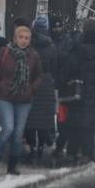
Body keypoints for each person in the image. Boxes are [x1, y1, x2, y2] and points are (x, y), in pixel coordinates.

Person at [0, 24, 43, 175]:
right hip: (4, 96)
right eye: (21, 37)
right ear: (15, 38)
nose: (24, 41)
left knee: (18, 133)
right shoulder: (5, 52)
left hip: (24, 99)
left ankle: (12, 165)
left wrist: (32, 89)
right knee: (8, 129)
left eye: (27, 38)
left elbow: (39, 76)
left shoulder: (33, 55)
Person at [62, 20, 95, 165]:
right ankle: (87, 153)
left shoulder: (75, 54)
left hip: (76, 94)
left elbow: (65, 73)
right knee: (89, 127)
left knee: (74, 124)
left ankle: (71, 152)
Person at [24, 16, 59, 164]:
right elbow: (55, 65)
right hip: (46, 83)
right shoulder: (51, 47)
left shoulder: (28, 45)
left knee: (30, 116)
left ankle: (32, 145)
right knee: (45, 116)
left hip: (30, 82)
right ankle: (42, 145)